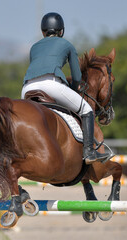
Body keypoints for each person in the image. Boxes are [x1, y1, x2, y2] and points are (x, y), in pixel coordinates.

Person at [21, 12, 110, 164]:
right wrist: (74, 88)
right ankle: (89, 152)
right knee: (87, 110)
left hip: (27, 88)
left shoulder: (34, 47)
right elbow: (76, 76)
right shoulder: (67, 44)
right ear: (61, 31)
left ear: (43, 31)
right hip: (51, 84)